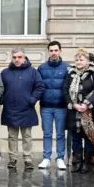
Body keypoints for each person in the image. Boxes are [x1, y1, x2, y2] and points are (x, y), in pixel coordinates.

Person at [0, 47, 45, 171]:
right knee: (12, 136)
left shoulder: (33, 72)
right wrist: (2, 99)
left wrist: (33, 99)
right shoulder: (5, 72)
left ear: (24, 58)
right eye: (14, 57)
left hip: (27, 108)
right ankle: (12, 159)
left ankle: (28, 159)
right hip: (10, 108)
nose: (17, 60)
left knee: (27, 136)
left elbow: (40, 86)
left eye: (19, 57)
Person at [65, 49, 94, 174]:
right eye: (77, 60)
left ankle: (87, 163)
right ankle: (77, 162)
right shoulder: (70, 74)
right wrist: (73, 104)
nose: (78, 62)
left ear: (88, 61)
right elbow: (65, 90)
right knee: (76, 138)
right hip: (74, 112)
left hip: (89, 112)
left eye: (81, 59)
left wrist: (87, 104)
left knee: (89, 137)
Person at [37, 41, 68, 170]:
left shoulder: (67, 68)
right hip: (46, 106)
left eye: (56, 50)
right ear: (48, 52)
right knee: (47, 133)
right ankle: (46, 158)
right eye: (51, 50)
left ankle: (60, 158)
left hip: (61, 106)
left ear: (60, 51)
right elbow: (38, 86)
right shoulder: (41, 68)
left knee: (60, 134)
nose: (54, 53)